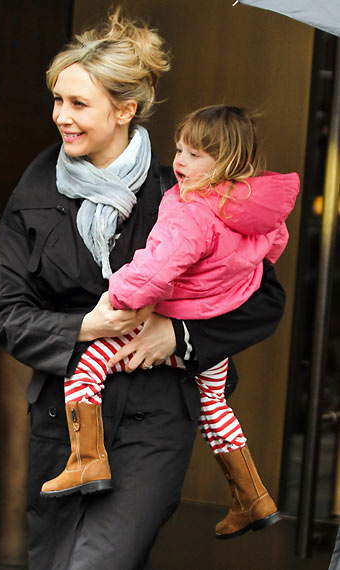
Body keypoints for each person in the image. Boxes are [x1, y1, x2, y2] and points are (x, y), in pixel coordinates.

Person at [0, 9, 287, 570]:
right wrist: (85, 326)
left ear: (125, 110)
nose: (61, 117)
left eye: (78, 104)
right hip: (66, 421)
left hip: (155, 421)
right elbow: (6, 314)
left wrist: (178, 334)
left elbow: (262, 298)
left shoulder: (189, 187)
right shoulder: (34, 191)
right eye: (57, 101)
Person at [40, 104, 299, 541]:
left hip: (163, 321)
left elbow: (158, 267)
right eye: (180, 149)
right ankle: (252, 497)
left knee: (85, 366)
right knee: (215, 408)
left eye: (196, 154)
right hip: (211, 339)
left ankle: (87, 461)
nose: (179, 162)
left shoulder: (190, 209)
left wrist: (118, 296)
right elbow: (271, 252)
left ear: (231, 161)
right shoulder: (259, 216)